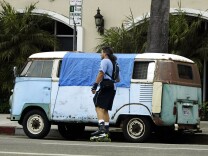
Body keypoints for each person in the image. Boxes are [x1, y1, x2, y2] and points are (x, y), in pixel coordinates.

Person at [91, 46, 120, 140]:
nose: (101, 54)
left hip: (106, 86)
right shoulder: (115, 63)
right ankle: (106, 130)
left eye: (101, 52)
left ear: (105, 53)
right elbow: (118, 79)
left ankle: (101, 129)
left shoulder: (105, 61)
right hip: (113, 87)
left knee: (98, 106)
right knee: (105, 109)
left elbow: (101, 73)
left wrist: (95, 85)